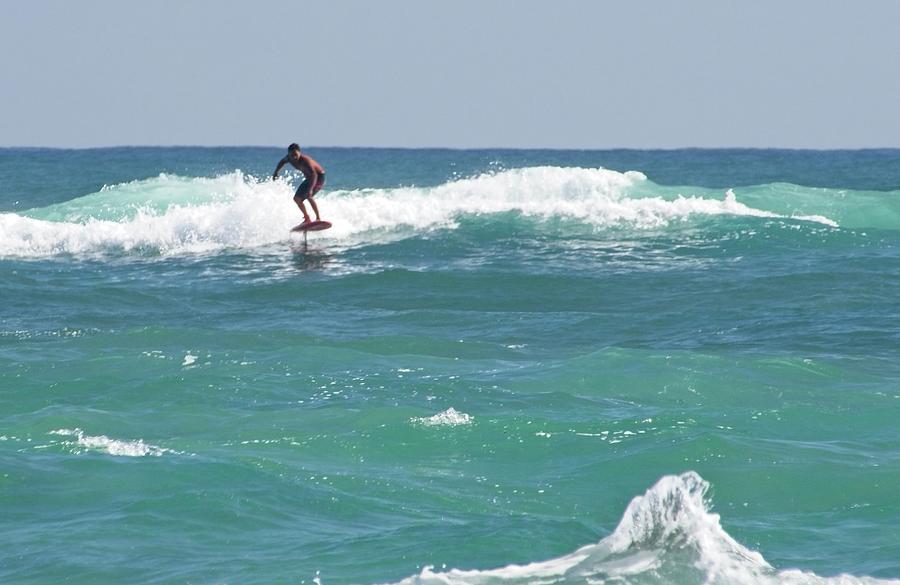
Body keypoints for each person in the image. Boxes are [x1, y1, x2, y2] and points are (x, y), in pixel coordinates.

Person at [273, 143, 326, 225]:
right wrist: (276, 172)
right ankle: (307, 218)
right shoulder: (288, 158)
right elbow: (282, 162)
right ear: (289, 154)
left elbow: (314, 174)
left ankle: (318, 218)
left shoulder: (305, 160)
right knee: (297, 198)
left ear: (299, 153)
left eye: (296, 154)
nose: (294, 157)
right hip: (309, 178)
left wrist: (311, 189)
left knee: (309, 195)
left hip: (318, 177)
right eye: (292, 155)